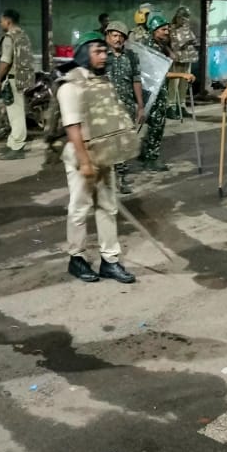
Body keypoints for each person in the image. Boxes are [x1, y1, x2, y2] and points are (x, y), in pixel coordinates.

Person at [55, 32, 137, 285]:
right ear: (83, 54)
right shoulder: (70, 86)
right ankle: (76, 258)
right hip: (82, 156)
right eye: (97, 52)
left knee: (108, 208)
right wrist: (85, 161)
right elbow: (72, 127)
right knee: (80, 208)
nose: (104, 56)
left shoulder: (101, 82)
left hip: (104, 154)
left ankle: (110, 261)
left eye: (104, 51)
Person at [138, 15, 195, 172]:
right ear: (154, 30)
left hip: (155, 91)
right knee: (156, 126)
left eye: (167, 28)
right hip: (153, 92)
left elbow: (172, 57)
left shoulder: (159, 45)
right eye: (163, 29)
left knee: (153, 125)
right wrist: (182, 75)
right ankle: (151, 159)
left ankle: (145, 153)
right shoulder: (150, 48)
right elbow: (159, 73)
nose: (167, 31)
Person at [103, 21, 144, 194]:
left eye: (121, 36)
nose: (118, 39)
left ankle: (122, 178)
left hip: (126, 105)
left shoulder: (132, 56)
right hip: (105, 106)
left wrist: (140, 105)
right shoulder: (101, 56)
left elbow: (136, 80)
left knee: (123, 143)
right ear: (107, 36)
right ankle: (105, 179)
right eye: (114, 35)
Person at [0, 9, 35, 161]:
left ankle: (17, 146)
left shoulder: (9, 37)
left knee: (15, 113)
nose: (0, 23)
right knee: (13, 112)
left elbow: (5, 61)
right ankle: (12, 143)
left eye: (1, 20)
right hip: (24, 78)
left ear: (8, 21)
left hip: (12, 79)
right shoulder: (23, 35)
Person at [168, 6, 198, 120]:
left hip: (187, 58)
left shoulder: (186, 28)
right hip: (176, 58)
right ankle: (171, 106)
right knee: (173, 83)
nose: (185, 20)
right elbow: (172, 43)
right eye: (183, 18)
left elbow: (193, 39)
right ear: (178, 17)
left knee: (184, 84)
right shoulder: (171, 29)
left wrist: (191, 42)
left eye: (186, 18)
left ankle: (181, 104)